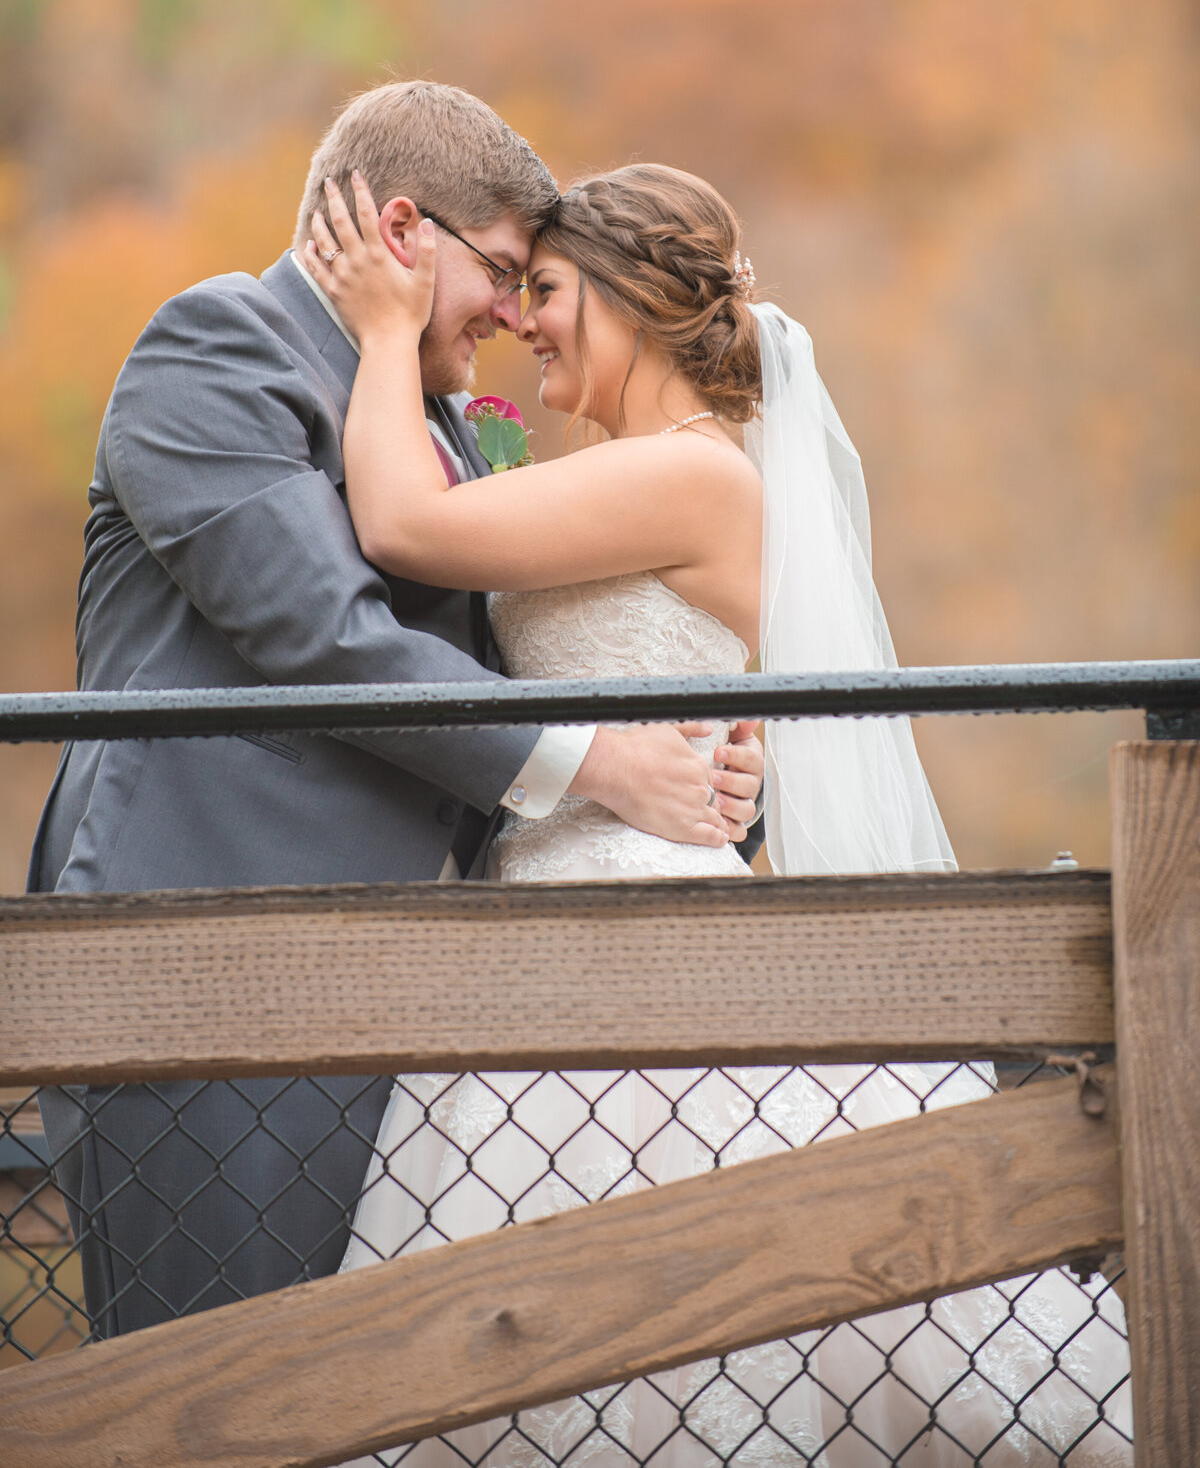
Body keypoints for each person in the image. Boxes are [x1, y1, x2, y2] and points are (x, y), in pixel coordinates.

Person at [306, 163, 1133, 1465]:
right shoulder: (648, 474)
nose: (526, 321)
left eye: (552, 291)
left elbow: (406, 523)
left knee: (635, 1312)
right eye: (517, 293)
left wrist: (384, 328)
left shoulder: (688, 475)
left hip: (628, 936)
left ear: (635, 299)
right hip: (549, 918)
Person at [27, 81, 765, 1340]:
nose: (512, 312)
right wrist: (601, 764)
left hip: (412, 1010)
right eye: (506, 272)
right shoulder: (217, 347)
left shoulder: (428, 421)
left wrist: (713, 771)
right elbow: (321, 635)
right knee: (208, 1387)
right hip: (203, 978)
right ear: (408, 231)